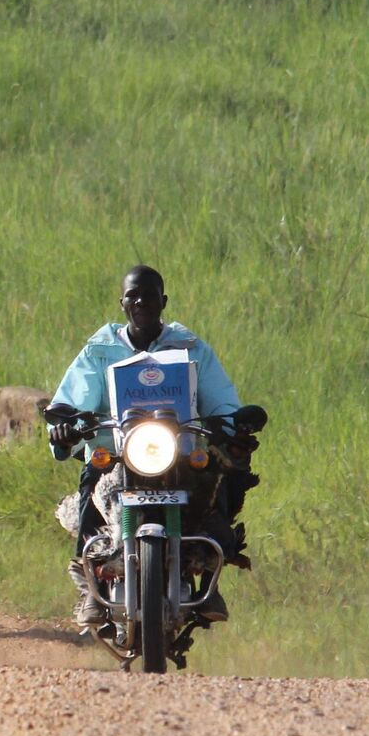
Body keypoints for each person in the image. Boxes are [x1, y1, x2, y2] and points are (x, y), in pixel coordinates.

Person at [44, 265, 256, 627]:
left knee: (226, 477)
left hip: (180, 454)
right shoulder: (100, 350)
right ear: (122, 303)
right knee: (90, 487)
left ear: (164, 302)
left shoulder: (190, 348)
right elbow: (74, 397)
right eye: (133, 296)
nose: (142, 301)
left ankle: (210, 575)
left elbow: (219, 399)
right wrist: (67, 427)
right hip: (117, 453)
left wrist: (234, 425)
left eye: (150, 295)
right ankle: (89, 582)